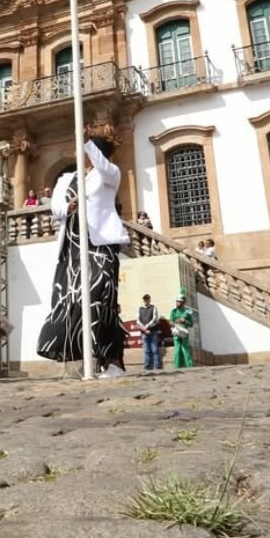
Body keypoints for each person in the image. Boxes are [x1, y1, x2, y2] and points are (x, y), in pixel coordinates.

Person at [36, 136, 130, 377]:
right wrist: (68, 208)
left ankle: (113, 362)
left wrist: (86, 139)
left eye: (87, 150)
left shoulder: (110, 173)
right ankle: (83, 359)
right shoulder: (66, 178)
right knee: (74, 301)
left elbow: (101, 163)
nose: (82, 154)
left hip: (100, 246)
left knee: (101, 299)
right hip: (73, 249)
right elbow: (55, 208)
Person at [168, 292, 194, 368]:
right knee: (177, 350)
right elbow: (170, 322)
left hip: (184, 332)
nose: (177, 303)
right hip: (176, 332)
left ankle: (189, 365)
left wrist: (185, 321)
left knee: (185, 349)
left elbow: (191, 324)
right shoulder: (173, 311)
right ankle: (177, 366)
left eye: (179, 301)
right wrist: (176, 322)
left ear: (183, 302)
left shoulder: (187, 312)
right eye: (177, 301)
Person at [137, 293, 162, 370]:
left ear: (149, 299)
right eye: (145, 299)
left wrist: (146, 326)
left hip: (153, 331)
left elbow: (154, 318)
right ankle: (147, 366)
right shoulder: (140, 308)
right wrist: (143, 328)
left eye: (147, 299)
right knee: (147, 350)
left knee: (155, 349)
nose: (146, 301)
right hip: (144, 332)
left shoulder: (153, 307)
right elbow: (138, 320)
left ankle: (157, 366)